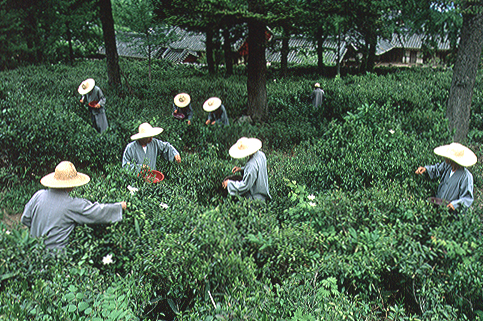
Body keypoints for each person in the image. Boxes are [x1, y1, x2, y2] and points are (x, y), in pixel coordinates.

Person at [21, 161, 127, 250]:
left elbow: (25, 219)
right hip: (55, 260)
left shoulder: (38, 195)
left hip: (34, 253)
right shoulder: (71, 204)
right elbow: (96, 212)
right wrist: (119, 207)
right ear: (71, 185)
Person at [415, 142, 477, 211]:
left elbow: (467, 199)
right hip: (438, 205)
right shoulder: (447, 166)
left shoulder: (466, 177)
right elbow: (437, 169)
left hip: (451, 214)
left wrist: (455, 205)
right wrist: (425, 169)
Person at [222, 137, 271, 201]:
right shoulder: (261, 155)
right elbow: (256, 168)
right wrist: (241, 169)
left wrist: (229, 184)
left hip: (256, 199)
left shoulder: (251, 165)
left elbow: (245, 186)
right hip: (263, 194)